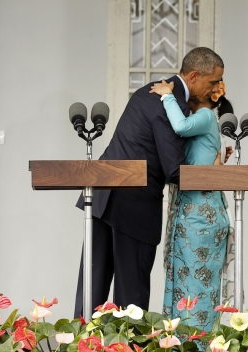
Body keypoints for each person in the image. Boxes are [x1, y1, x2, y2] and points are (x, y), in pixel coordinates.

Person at [74, 47, 227, 317]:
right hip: (133, 204)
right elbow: (175, 170)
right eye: (213, 81)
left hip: (100, 194)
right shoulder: (173, 104)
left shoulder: (150, 91)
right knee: (130, 297)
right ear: (194, 76)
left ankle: (79, 346)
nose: (217, 88)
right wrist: (213, 173)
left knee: (91, 289)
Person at [149, 80, 234, 331]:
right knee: (184, 283)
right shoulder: (205, 122)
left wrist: (167, 97)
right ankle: (182, 343)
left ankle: (198, 344)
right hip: (193, 212)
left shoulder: (206, 115)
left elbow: (181, 125)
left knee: (198, 285)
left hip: (201, 214)